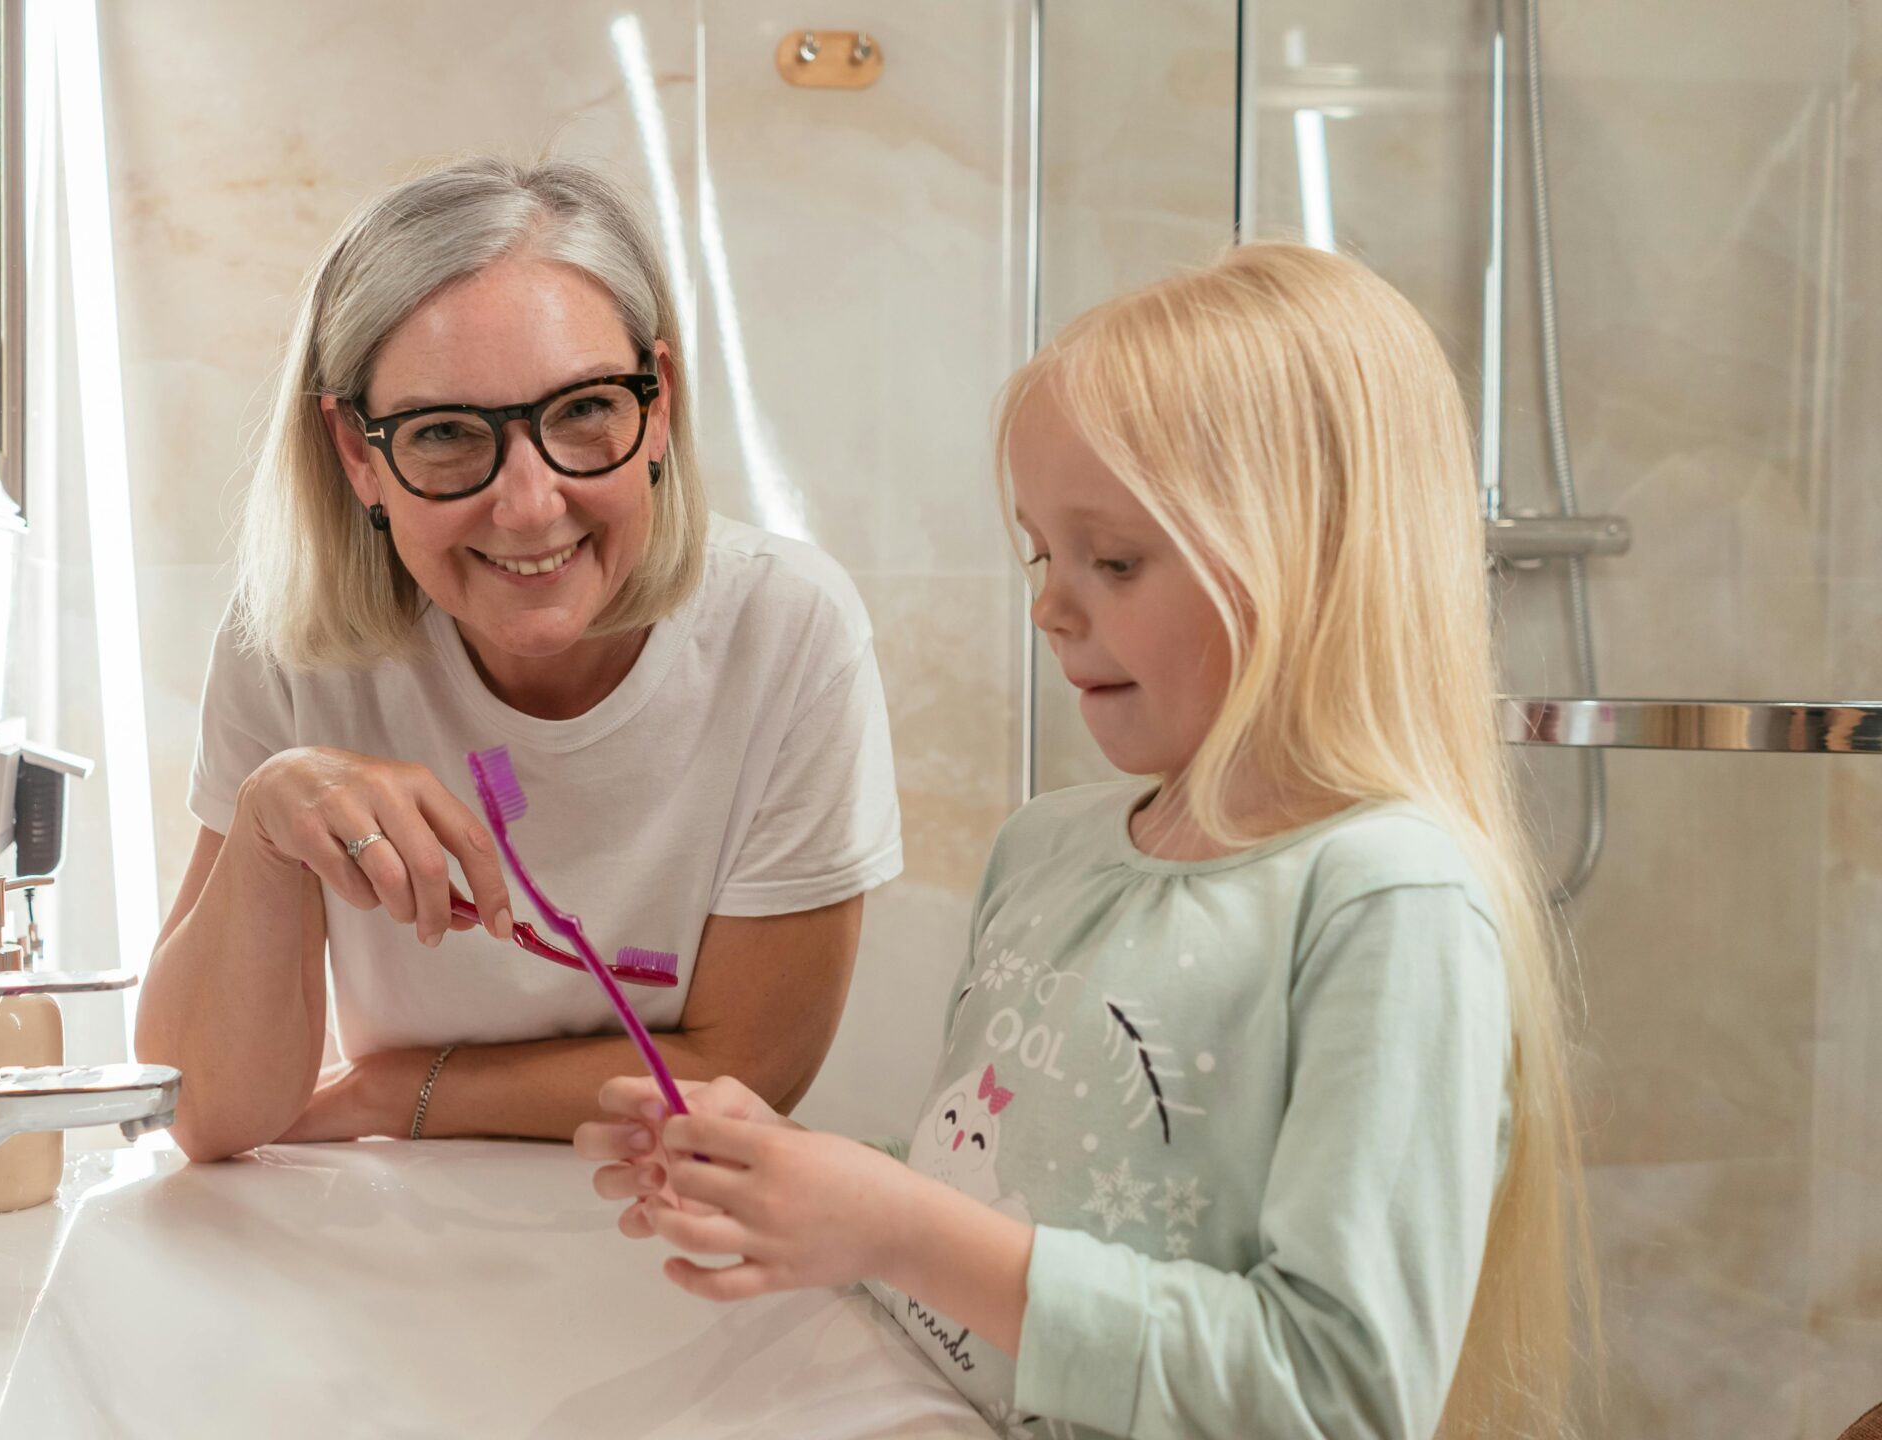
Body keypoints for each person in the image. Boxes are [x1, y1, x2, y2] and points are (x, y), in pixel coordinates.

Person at [579, 243, 1593, 1438]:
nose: (1048, 607)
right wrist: (783, 1174)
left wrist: (897, 1225)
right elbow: (1017, 1201)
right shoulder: (1048, 851)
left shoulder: (1386, 900)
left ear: (1312, 562)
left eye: (1110, 559)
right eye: (1040, 554)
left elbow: (1339, 1395)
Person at [138, 155, 903, 1162]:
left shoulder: (787, 631)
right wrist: (267, 819)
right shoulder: (286, 645)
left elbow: (743, 1069)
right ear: (358, 454)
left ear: (657, 402)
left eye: (584, 410)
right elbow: (200, 1110)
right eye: (447, 432)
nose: (531, 504)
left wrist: (393, 1088)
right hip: (400, 1244)